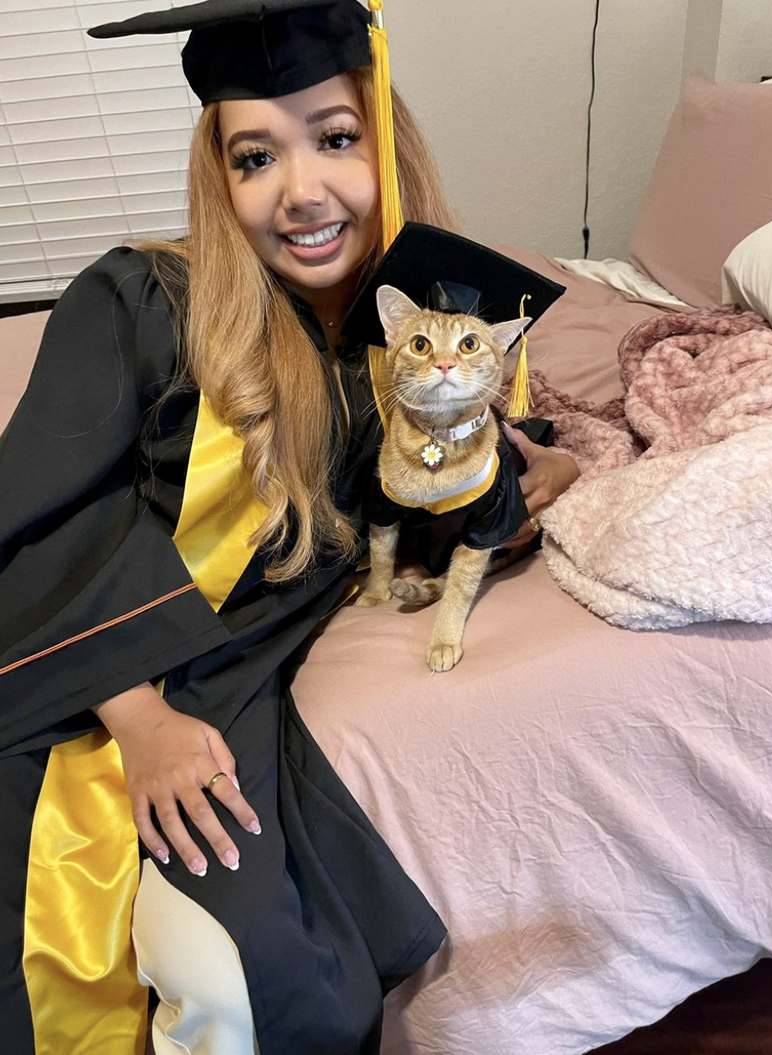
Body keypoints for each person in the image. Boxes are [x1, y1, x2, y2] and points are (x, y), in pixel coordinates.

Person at [0, 2, 580, 1053]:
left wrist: (547, 460)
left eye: (336, 138)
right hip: (95, 666)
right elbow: (39, 516)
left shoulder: (399, 342)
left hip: (238, 678)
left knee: (264, 974)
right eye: (256, 154)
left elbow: (461, 495)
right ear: (219, 179)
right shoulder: (136, 299)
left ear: (386, 150)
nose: (302, 189)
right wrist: (138, 719)